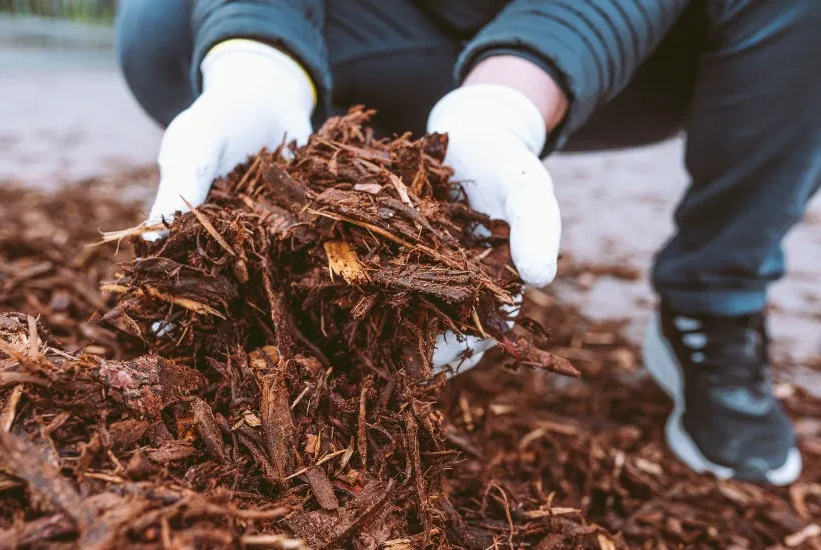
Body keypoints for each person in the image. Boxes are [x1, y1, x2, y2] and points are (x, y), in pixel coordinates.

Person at [116, 0, 820, 485]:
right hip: (382, 23)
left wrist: (510, 98)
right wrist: (256, 53)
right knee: (166, 24)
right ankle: (312, 112)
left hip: (638, 41)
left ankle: (714, 301)